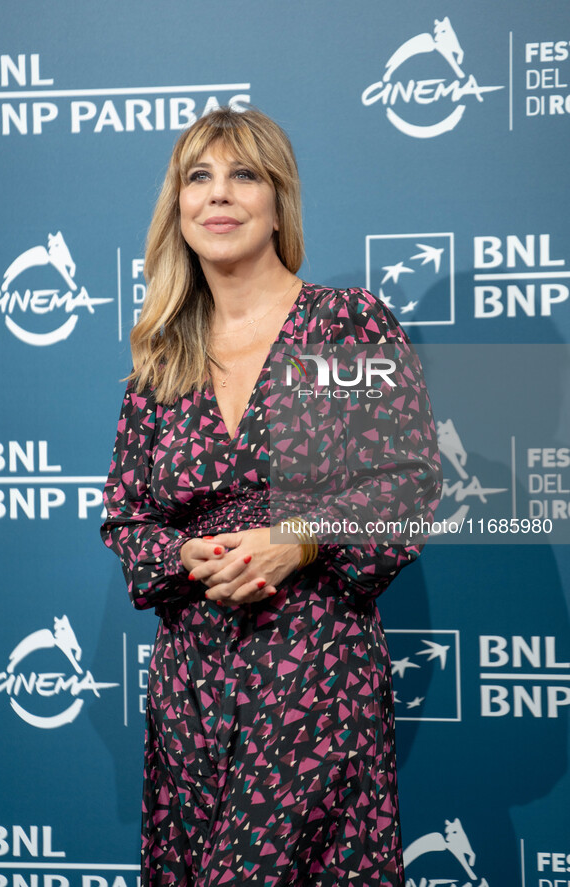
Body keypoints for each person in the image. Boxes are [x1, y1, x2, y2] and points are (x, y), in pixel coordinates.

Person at [101, 107, 442, 887]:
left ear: (277, 199)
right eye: (199, 177)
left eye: (243, 174)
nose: (219, 196)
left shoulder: (344, 323)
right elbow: (126, 515)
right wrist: (178, 554)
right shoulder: (162, 353)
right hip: (191, 684)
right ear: (178, 207)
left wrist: (301, 537)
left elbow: (408, 481)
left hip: (314, 671)